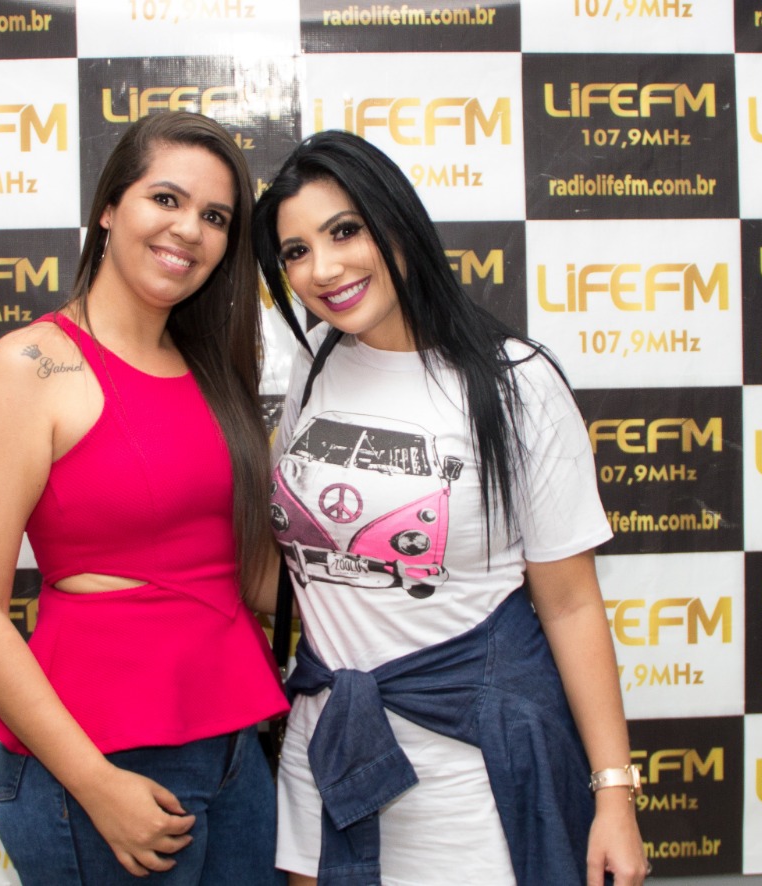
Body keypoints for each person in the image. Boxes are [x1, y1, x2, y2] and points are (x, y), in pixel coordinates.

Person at [252, 130, 648, 886]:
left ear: (397, 221)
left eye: (345, 231)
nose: (323, 268)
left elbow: (569, 605)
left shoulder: (516, 381)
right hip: (328, 747)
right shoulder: (316, 364)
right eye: (296, 251)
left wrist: (614, 795)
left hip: (470, 768)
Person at [0, 111, 289, 885]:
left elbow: (247, 571)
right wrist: (95, 784)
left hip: (236, 748)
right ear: (108, 208)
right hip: (100, 765)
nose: (188, 229)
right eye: (166, 199)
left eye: (215, 217)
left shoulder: (212, 371)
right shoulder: (32, 365)